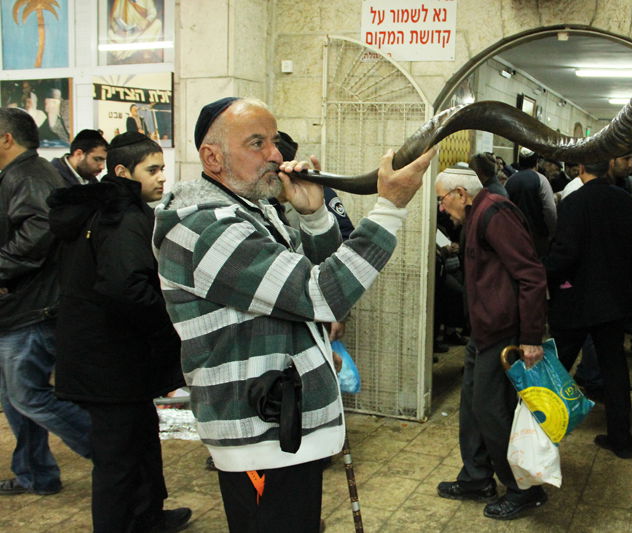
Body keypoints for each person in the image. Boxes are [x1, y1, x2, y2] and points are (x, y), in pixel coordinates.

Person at [152, 96, 434, 532]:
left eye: (275, 141)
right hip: (259, 434)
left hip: (281, 423)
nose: (276, 155)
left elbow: (310, 283)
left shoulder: (253, 210)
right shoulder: (205, 227)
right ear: (213, 158)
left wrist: (314, 215)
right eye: (257, 143)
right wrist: (391, 207)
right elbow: (322, 295)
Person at [47, 132, 190, 532]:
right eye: (152, 170)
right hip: (109, 359)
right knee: (118, 458)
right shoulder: (121, 217)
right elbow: (126, 288)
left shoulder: (105, 209)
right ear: (123, 172)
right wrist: (170, 322)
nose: (162, 177)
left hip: (113, 356)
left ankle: (147, 516)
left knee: (139, 441)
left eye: (163, 168)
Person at [434, 166, 548, 520]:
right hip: (482, 332)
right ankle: (476, 478)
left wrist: (530, 337)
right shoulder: (477, 214)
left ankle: (524, 489)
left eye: (442, 200)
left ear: (461, 194)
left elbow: (531, 275)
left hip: (501, 332)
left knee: (492, 411)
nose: (441, 208)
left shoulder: (495, 213)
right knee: (472, 407)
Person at [0, 108, 92, 496]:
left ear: (6, 139)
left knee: (29, 396)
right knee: (14, 398)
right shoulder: (19, 173)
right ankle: (35, 473)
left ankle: (115, 454)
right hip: (19, 307)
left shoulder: (28, 174)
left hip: (32, 309)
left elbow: (39, 230)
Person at [544, 160, 632, 459]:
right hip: (613, 300)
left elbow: (566, 253)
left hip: (575, 300)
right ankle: (622, 440)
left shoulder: (574, 202)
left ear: (582, 167)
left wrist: (546, 277)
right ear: (608, 166)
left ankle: (542, 436)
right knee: (614, 369)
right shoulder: (626, 201)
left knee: (557, 368)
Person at [505, 149, 556, 257]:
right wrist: (552, 233)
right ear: (536, 163)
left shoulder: (510, 180)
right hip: (536, 239)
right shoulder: (541, 180)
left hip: (513, 237)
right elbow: (550, 210)